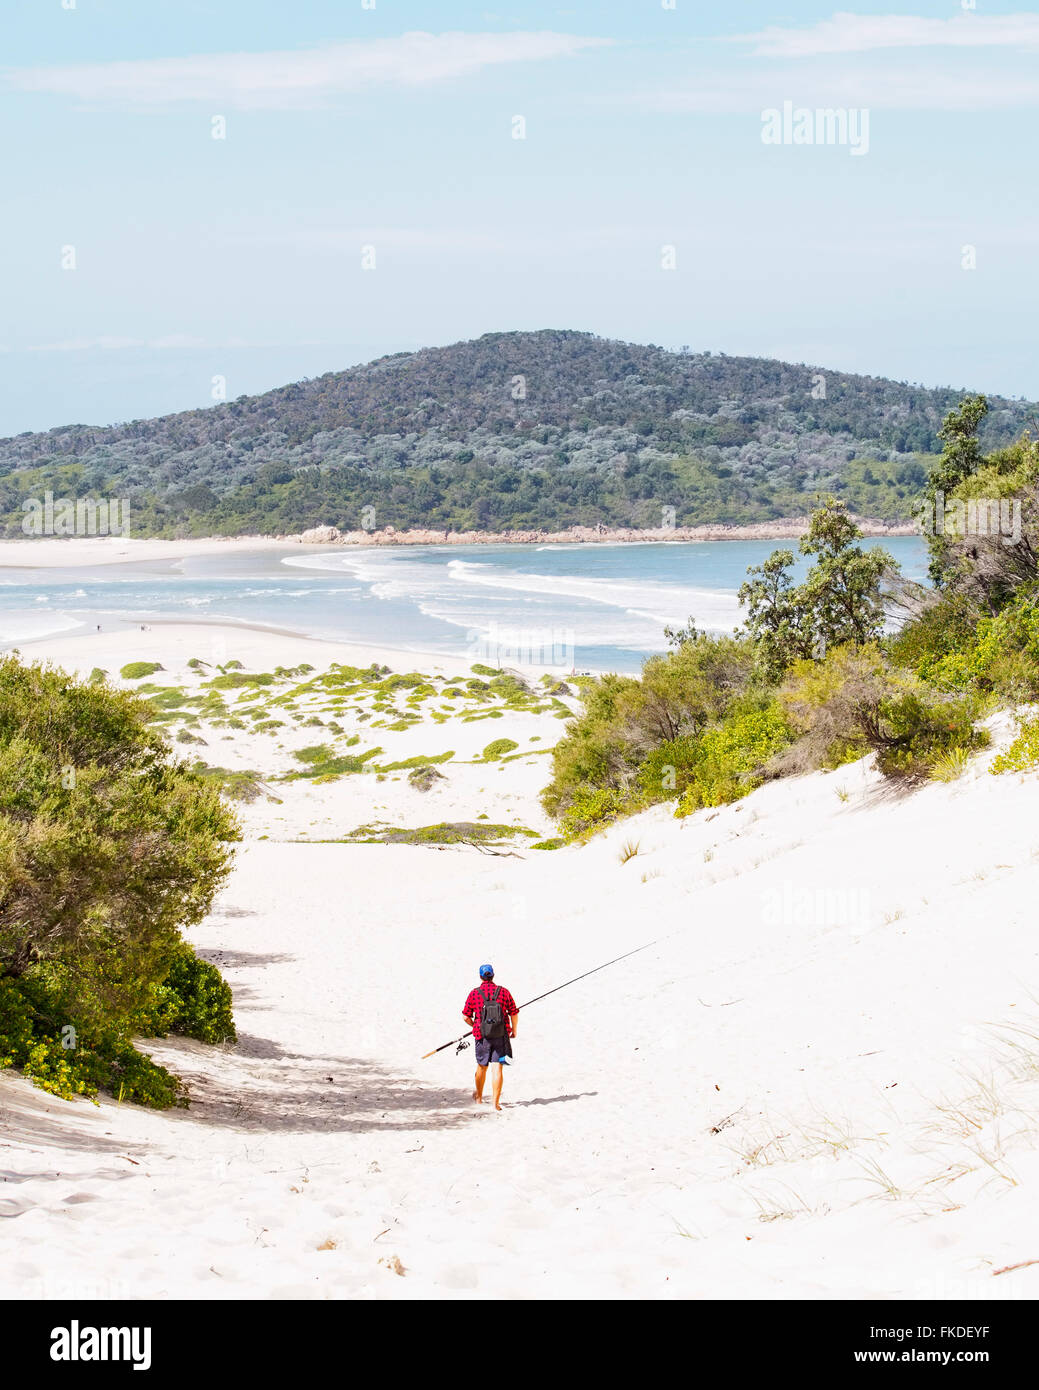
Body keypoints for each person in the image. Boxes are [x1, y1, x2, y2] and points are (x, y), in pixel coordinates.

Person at [462, 964, 519, 1111]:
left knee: (482, 1067)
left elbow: (465, 1016)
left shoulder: (474, 993)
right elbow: (514, 1012)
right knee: (497, 1068)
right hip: (501, 1034)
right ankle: (495, 1103)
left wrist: (475, 1025)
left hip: (482, 1036)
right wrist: (514, 1030)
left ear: (480, 976)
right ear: (493, 975)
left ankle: (479, 1098)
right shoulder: (503, 991)